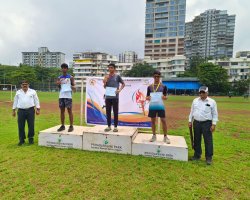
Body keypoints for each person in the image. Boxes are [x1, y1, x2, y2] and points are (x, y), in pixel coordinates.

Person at [188, 86, 218, 165]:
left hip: (207, 123)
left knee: (208, 141)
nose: (201, 94)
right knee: (197, 139)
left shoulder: (212, 102)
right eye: (200, 92)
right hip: (196, 122)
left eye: (203, 92)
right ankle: (197, 155)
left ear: (207, 93)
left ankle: (208, 158)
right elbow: (192, 111)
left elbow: (215, 114)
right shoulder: (195, 101)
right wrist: (190, 121)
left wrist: (214, 124)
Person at [12, 80, 40, 146]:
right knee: (21, 126)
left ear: (28, 85)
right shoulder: (18, 92)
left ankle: (31, 138)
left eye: (26, 84)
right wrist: (13, 110)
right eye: (23, 84)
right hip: (21, 111)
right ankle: (21, 140)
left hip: (30, 110)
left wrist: (38, 109)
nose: (24, 85)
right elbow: (15, 101)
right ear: (21, 85)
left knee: (31, 125)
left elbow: (36, 100)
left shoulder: (33, 91)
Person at [146, 70, 170, 144]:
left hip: (160, 106)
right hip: (152, 106)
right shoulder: (149, 87)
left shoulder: (164, 86)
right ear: (153, 77)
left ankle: (165, 136)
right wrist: (148, 98)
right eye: (155, 76)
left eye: (158, 76)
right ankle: (154, 136)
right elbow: (147, 96)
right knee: (153, 121)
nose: (156, 78)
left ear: (160, 77)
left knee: (163, 120)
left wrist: (165, 97)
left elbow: (166, 96)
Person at [103, 63, 125, 132]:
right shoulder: (106, 76)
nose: (110, 69)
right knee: (108, 112)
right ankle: (109, 126)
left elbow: (123, 84)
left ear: (114, 69)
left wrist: (119, 90)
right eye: (109, 68)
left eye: (112, 68)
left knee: (115, 112)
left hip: (115, 97)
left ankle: (115, 127)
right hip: (108, 97)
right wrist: (105, 81)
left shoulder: (117, 76)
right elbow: (104, 87)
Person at [56, 63, 76, 132]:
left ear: (67, 69)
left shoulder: (70, 77)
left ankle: (71, 126)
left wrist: (72, 87)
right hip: (61, 96)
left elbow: (74, 88)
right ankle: (62, 125)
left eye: (65, 68)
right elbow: (59, 87)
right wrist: (58, 84)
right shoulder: (59, 78)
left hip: (68, 96)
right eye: (62, 68)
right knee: (62, 111)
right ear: (61, 69)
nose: (64, 69)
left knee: (69, 111)